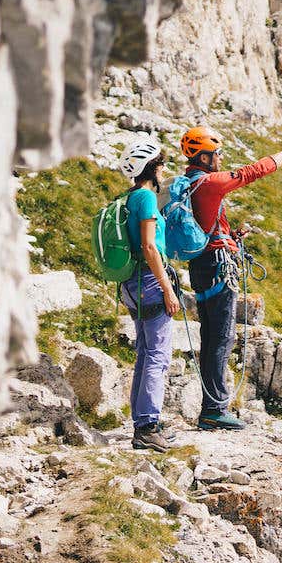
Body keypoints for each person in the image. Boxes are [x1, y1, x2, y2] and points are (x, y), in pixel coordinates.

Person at [179, 127, 282, 430]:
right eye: (217, 153)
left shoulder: (188, 183)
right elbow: (255, 171)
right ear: (204, 156)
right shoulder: (210, 183)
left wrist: (232, 236)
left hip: (200, 264)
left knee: (211, 336)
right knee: (221, 338)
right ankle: (214, 409)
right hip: (215, 266)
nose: (221, 158)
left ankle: (211, 407)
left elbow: (204, 226)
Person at [118, 139, 181, 453]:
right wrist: (168, 289)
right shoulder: (145, 197)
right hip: (150, 283)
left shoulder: (129, 197)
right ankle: (146, 427)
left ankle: (144, 422)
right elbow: (148, 246)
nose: (163, 170)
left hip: (131, 284)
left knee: (145, 353)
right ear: (150, 168)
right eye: (161, 165)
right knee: (157, 355)